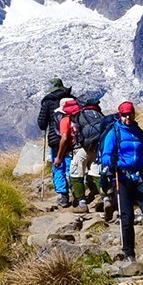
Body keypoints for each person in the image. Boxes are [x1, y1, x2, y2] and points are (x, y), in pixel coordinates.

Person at [99, 101, 143, 263]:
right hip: (121, 177)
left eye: (130, 114)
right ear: (120, 115)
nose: (127, 118)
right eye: (124, 115)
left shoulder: (139, 132)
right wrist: (111, 160)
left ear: (134, 114)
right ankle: (128, 252)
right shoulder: (114, 132)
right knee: (127, 215)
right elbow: (105, 156)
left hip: (140, 176)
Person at [55, 98, 99, 213]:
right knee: (96, 172)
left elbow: (64, 138)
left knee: (76, 175)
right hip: (94, 147)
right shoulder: (86, 116)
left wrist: (59, 157)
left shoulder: (66, 119)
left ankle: (82, 203)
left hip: (78, 150)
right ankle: (106, 199)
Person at [36, 78, 74, 207]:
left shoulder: (48, 102)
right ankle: (77, 191)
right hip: (73, 137)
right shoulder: (72, 99)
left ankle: (63, 196)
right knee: (71, 164)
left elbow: (41, 124)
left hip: (55, 138)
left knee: (58, 165)